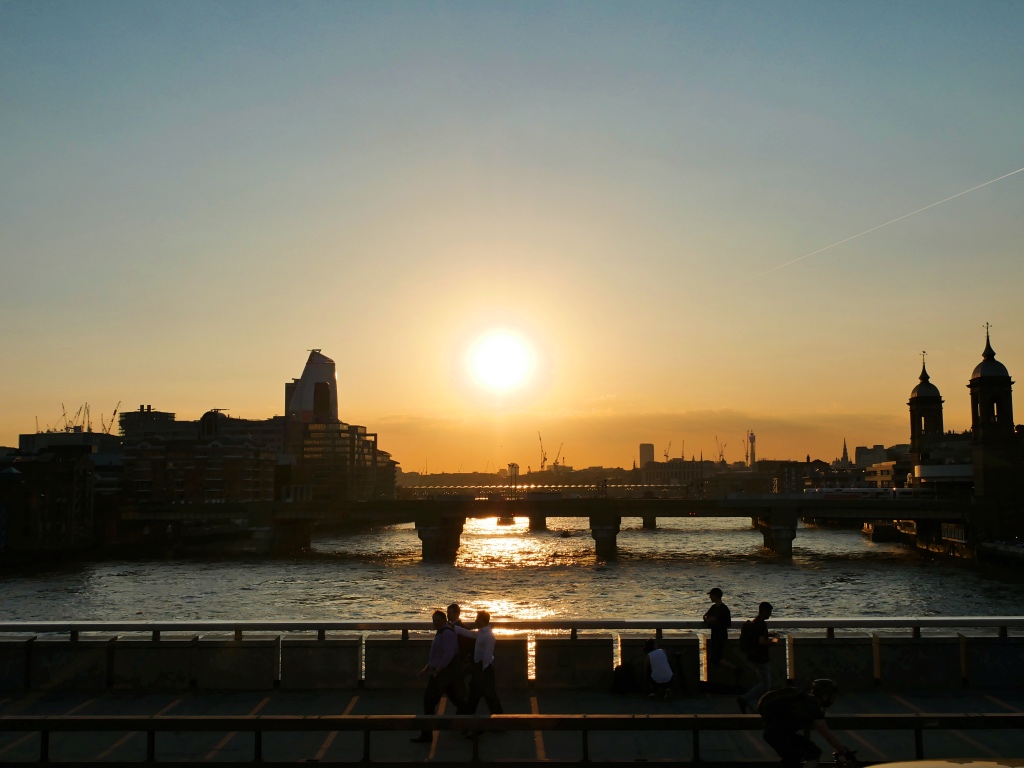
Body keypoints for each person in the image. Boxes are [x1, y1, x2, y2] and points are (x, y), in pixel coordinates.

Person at [760, 678, 855, 768]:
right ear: (824, 696)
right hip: (780, 735)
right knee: (813, 754)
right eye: (832, 697)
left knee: (794, 759)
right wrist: (843, 751)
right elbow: (827, 735)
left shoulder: (805, 700)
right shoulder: (812, 706)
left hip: (774, 734)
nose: (833, 700)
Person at [412, 610, 467, 744]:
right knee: (458, 700)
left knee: (429, 702)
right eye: (433, 621)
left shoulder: (447, 633)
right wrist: (427, 668)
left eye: (437, 620)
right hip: (444, 674)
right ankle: (468, 724)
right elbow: (436, 654)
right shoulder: (441, 632)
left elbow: (448, 655)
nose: (435, 623)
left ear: (444, 620)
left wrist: (437, 670)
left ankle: (427, 735)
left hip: (443, 674)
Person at [453, 609, 503, 716]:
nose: (475, 621)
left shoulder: (489, 636)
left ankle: (499, 721)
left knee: (489, 697)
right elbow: (470, 634)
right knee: (479, 697)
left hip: (484, 670)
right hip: (480, 669)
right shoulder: (482, 632)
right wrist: (456, 628)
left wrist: (481, 672)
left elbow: (487, 657)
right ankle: (467, 719)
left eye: (477, 619)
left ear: (482, 620)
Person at [738, 601, 780, 713]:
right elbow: (762, 641)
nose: (770, 615)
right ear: (765, 611)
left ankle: (754, 706)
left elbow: (758, 636)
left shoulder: (755, 622)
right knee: (765, 684)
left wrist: (769, 634)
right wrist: (774, 641)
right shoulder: (761, 624)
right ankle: (745, 699)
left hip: (753, 656)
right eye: (769, 612)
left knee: (763, 682)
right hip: (761, 657)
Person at [702, 587, 735, 676]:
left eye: (711, 595)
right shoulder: (713, 607)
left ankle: (735, 669)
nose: (710, 597)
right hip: (715, 634)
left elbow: (728, 623)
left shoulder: (724, 609)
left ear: (716, 596)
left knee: (716, 658)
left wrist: (715, 620)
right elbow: (705, 616)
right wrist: (707, 619)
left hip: (721, 635)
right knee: (716, 658)